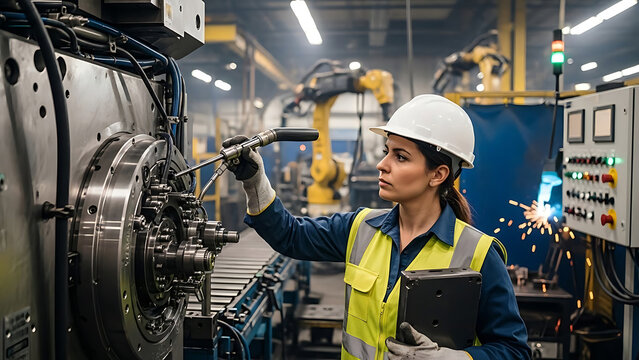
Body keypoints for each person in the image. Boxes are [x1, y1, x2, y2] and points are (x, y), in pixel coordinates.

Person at [223, 94, 531, 360]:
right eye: (387, 151)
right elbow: (289, 236)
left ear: (437, 175)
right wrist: (254, 182)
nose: (382, 164)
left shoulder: (478, 254)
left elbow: (513, 350)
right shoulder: (361, 227)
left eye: (400, 156)